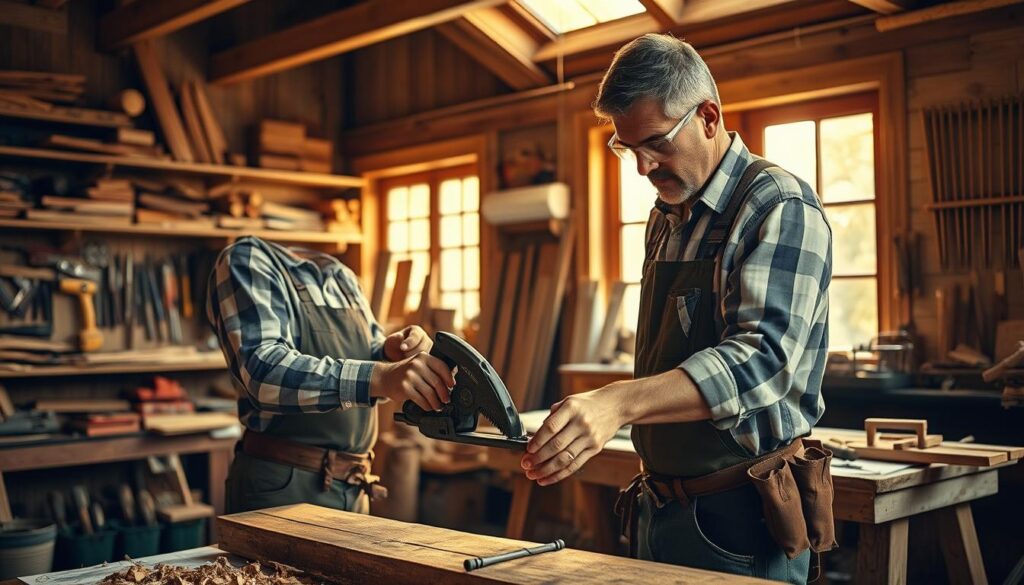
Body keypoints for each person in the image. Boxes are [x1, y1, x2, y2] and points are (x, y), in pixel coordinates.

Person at [521, 34, 833, 583]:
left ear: (708, 117)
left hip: (742, 516)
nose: (642, 166)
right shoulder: (666, 216)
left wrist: (617, 403)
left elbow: (765, 361)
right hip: (660, 507)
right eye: (627, 148)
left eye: (656, 143)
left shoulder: (778, 205)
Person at [207, 236, 454, 514]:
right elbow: (265, 374)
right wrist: (382, 376)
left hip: (353, 486)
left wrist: (389, 354)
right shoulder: (248, 260)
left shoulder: (342, 277)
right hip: (284, 489)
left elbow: (369, 364)